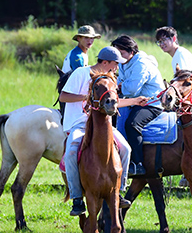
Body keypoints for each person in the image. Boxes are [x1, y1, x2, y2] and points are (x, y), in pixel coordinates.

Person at [59, 47, 141, 216]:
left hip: (103, 126)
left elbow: (114, 102)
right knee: (71, 153)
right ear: (105, 63)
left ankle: (119, 190)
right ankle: (77, 199)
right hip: (79, 125)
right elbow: (63, 97)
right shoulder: (81, 73)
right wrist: (87, 97)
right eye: (115, 64)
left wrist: (136, 101)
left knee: (126, 149)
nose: (117, 68)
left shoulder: (110, 79)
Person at [112, 35, 166, 177]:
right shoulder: (124, 62)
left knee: (132, 124)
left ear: (131, 51)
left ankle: (137, 163)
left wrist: (120, 86)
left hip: (151, 103)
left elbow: (131, 89)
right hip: (133, 101)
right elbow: (121, 84)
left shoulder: (141, 63)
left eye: (122, 53)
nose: (119, 57)